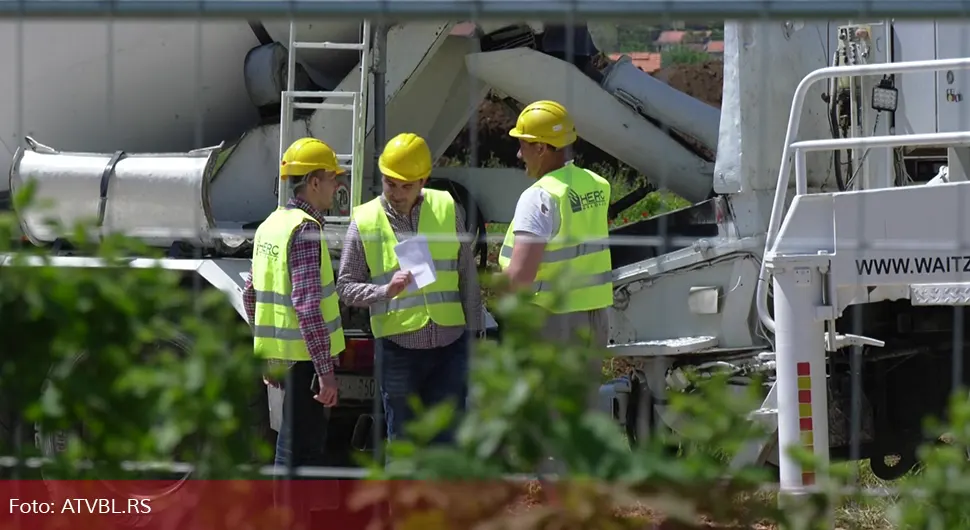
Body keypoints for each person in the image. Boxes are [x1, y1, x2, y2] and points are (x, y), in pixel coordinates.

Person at [337, 132, 482, 445]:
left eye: (406, 185)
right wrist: (384, 291)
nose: (397, 193)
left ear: (423, 180)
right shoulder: (364, 220)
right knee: (403, 444)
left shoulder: (447, 207)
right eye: (391, 183)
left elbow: (466, 274)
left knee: (447, 443)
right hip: (398, 350)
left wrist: (475, 336)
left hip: (450, 347)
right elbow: (346, 287)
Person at [242, 137, 346, 517]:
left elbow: (250, 294)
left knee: (290, 449)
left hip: (283, 357)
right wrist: (326, 372)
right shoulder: (304, 230)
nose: (338, 186)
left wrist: (269, 352)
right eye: (333, 178)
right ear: (313, 182)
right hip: (303, 361)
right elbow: (306, 304)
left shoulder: (271, 224)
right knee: (295, 452)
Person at [497, 99, 613, 371]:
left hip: (550, 320)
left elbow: (520, 277)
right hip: (594, 320)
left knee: (542, 410)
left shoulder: (540, 196)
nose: (518, 154)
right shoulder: (597, 184)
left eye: (523, 145)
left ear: (541, 148)